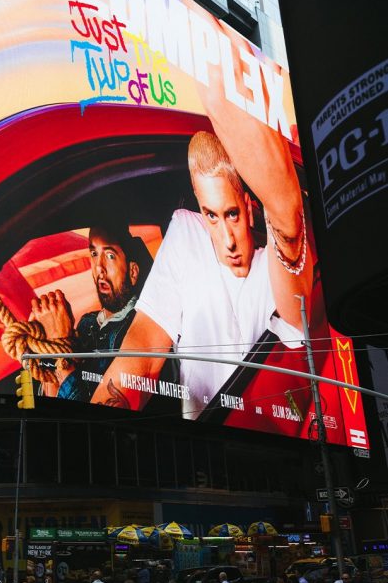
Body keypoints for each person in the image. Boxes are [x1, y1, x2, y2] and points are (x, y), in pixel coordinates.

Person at [91, 87, 313, 414]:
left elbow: (288, 224)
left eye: (232, 214)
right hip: (202, 446)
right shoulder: (187, 232)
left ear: (250, 207)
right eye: (211, 215)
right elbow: (143, 349)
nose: (227, 240)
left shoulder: (272, 262)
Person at [23, 225, 153, 403]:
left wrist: (60, 345)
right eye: (94, 254)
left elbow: (88, 425)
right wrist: (48, 345)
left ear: (132, 272)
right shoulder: (87, 323)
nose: (99, 268)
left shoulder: (142, 328)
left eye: (110, 256)